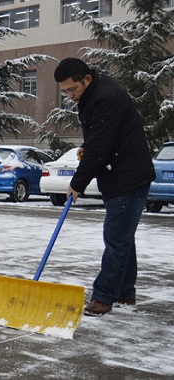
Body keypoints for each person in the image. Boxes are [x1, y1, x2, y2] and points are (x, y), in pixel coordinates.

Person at [54, 57, 155, 316]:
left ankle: (103, 296)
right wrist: (87, 148)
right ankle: (125, 292)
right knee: (123, 237)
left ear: (86, 79)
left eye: (72, 89)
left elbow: (101, 146)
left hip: (127, 177)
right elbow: (103, 137)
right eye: (65, 91)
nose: (69, 96)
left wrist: (77, 183)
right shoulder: (94, 94)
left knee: (116, 238)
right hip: (122, 173)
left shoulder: (106, 97)